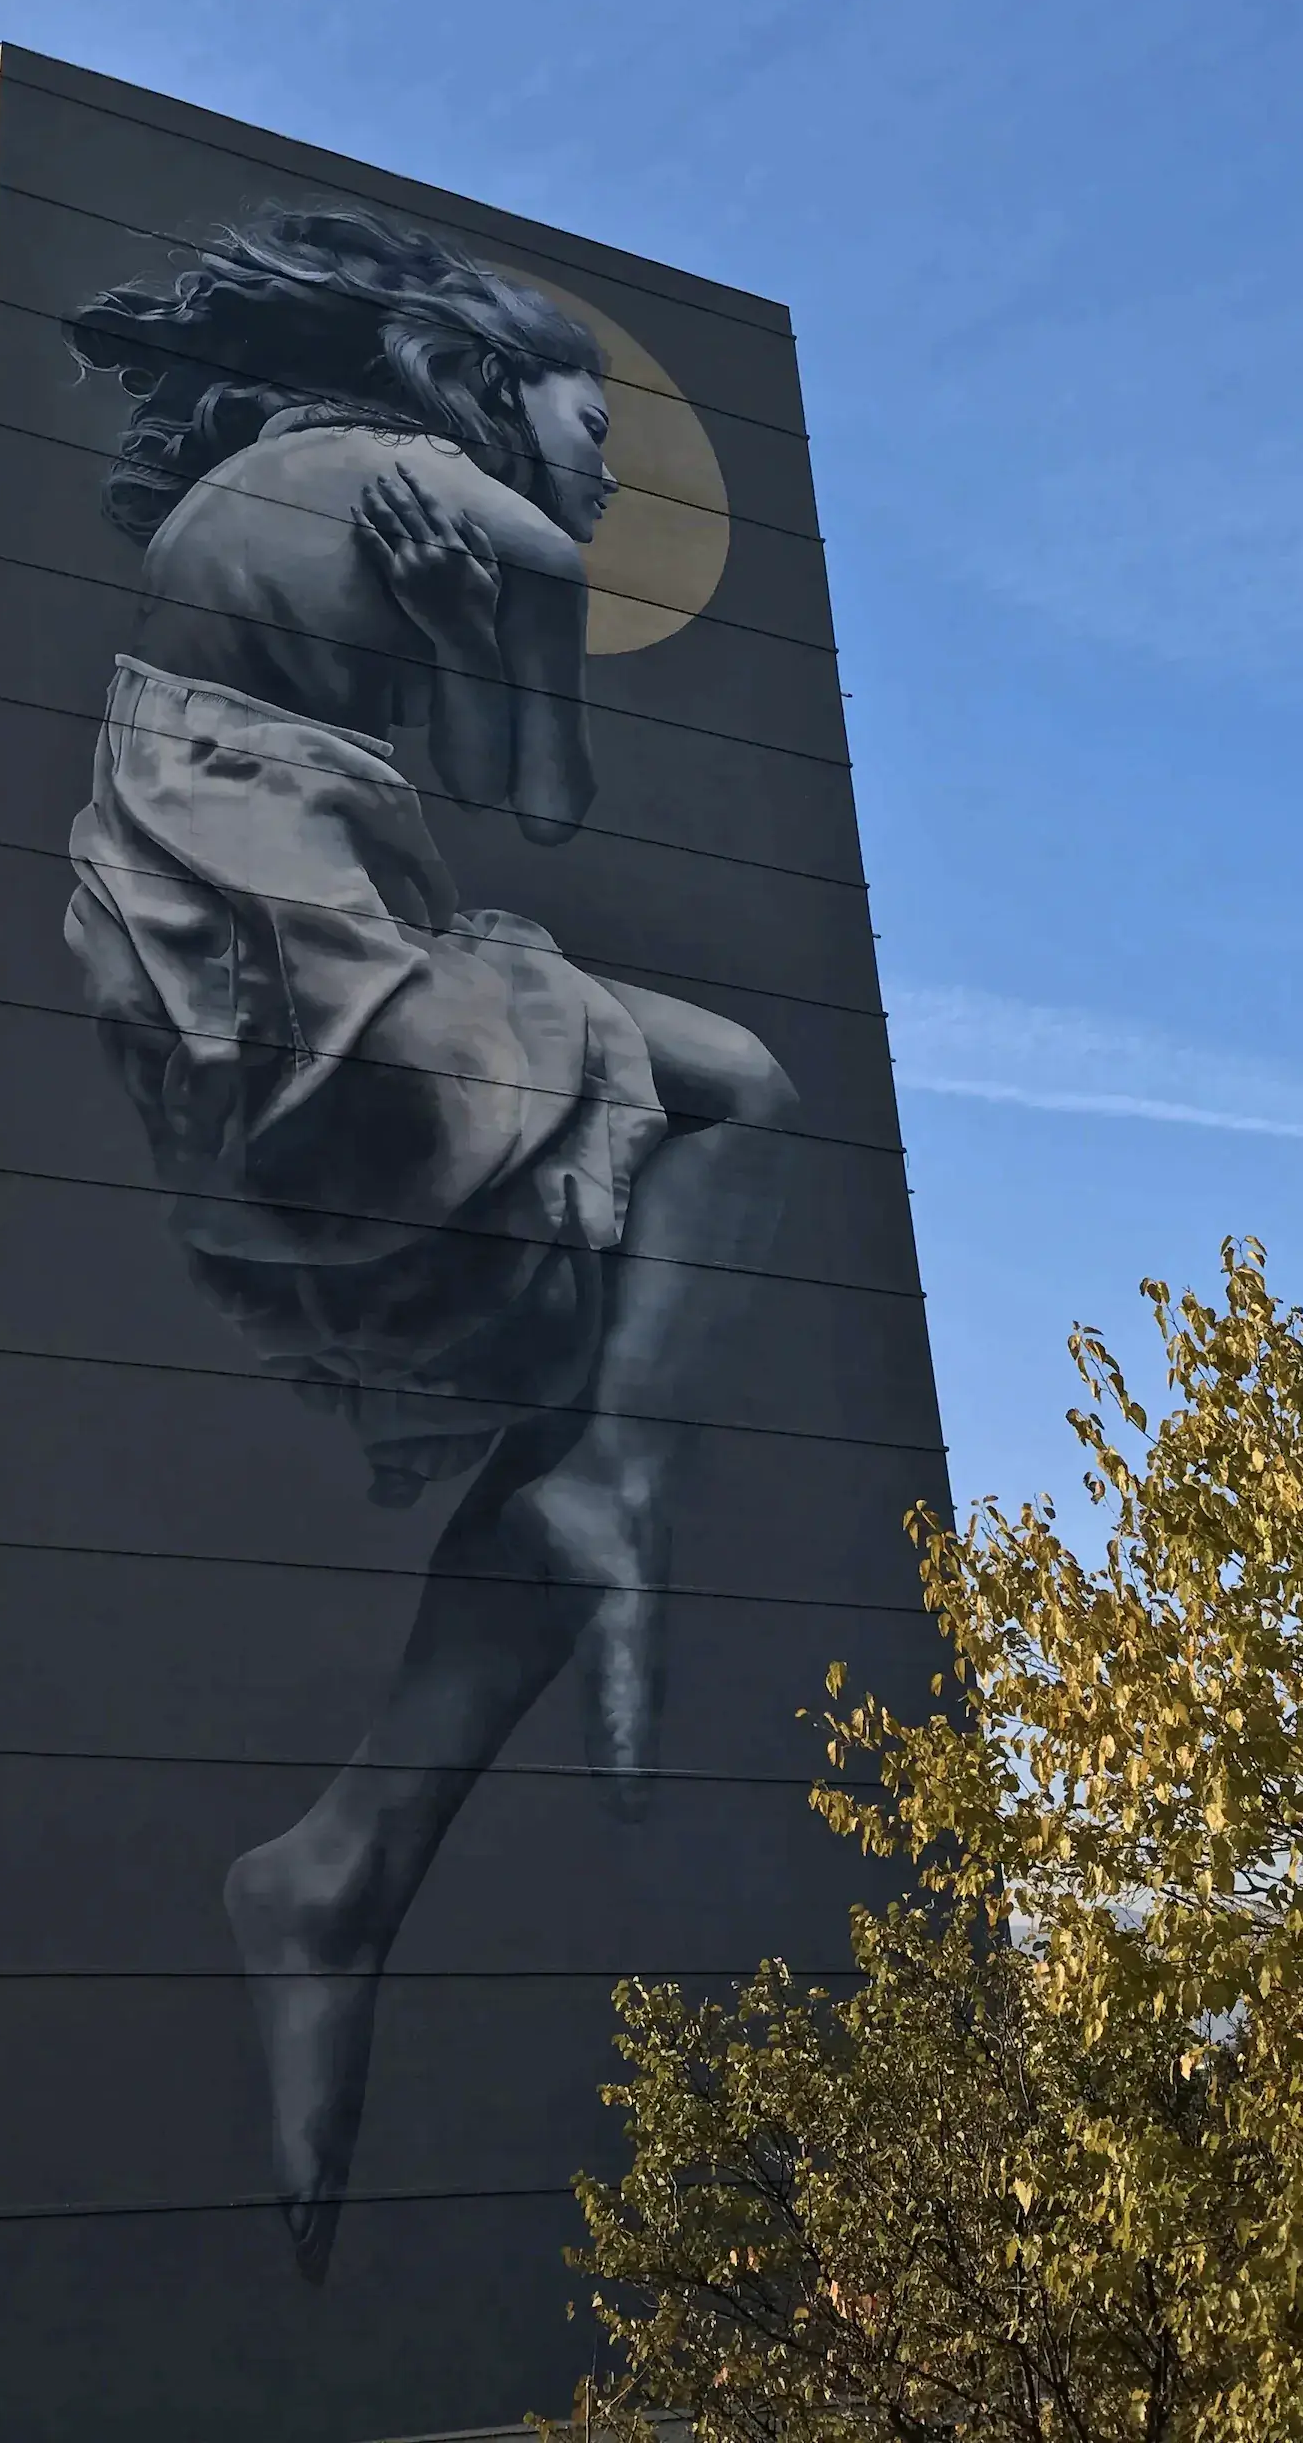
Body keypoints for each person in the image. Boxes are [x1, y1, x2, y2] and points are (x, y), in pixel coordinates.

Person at [66, 208, 795, 2279]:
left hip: (201, 915)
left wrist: (480, 635)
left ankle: (345, 1865)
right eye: (600, 424)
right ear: (492, 381)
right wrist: (520, 611)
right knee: (734, 1096)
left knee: (556, 1376)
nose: (614, 470)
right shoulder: (460, 502)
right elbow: (547, 795)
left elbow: (500, 784)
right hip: (287, 930)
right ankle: (612, 1488)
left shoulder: (355, 490)